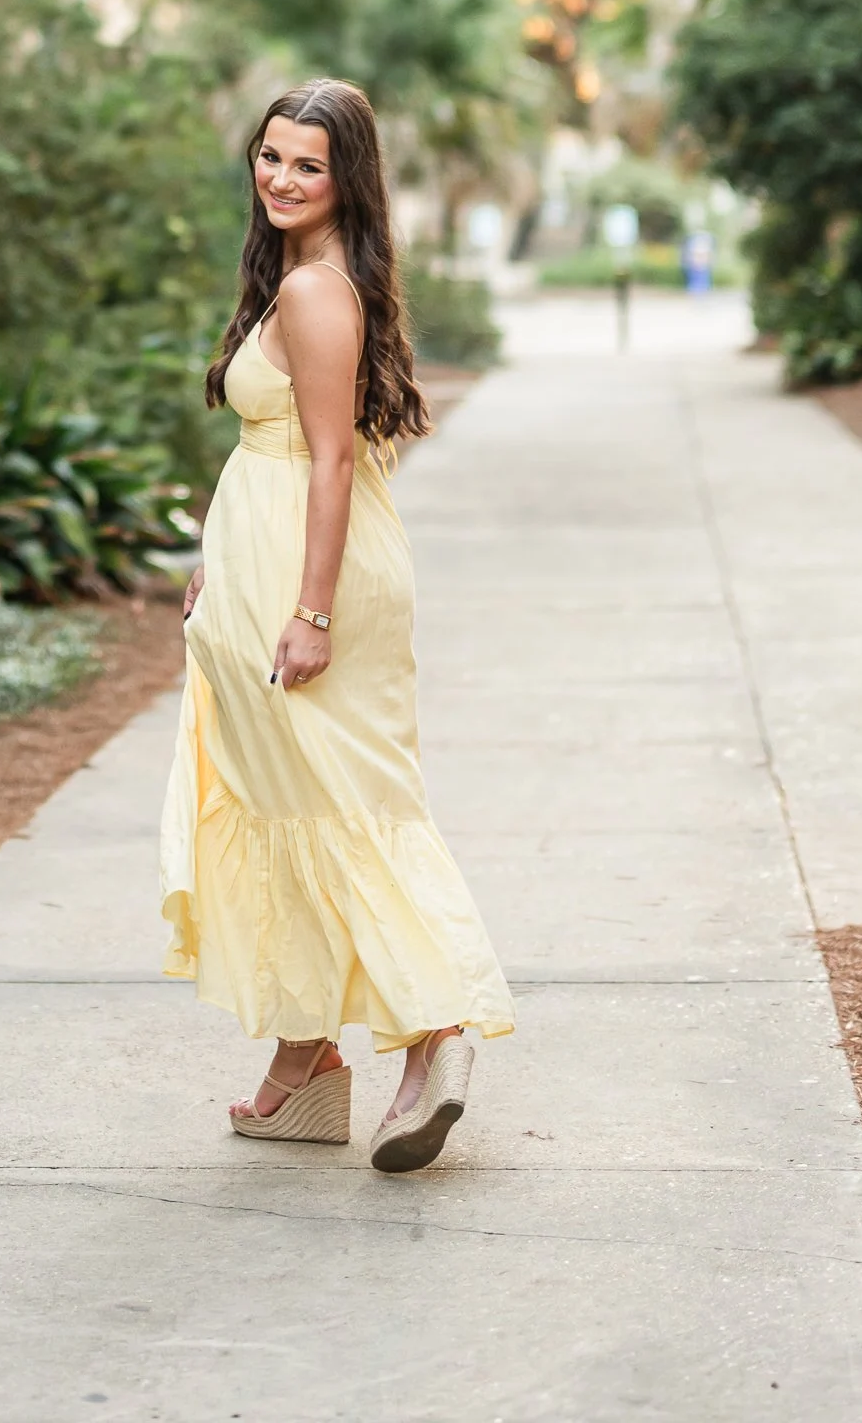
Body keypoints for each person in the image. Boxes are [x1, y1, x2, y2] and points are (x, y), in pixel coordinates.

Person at [160, 78, 512, 1168]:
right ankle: (302, 1064)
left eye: (305, 165)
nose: (278, 178)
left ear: (342, 179)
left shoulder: (315, 295)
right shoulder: (302, 278)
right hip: (264, 572)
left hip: (311, 585)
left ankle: (433, 1031)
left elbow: (327, 462)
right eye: (269, 157)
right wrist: (221, 568)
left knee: (341, 808)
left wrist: (307, 611)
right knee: (288, 809)